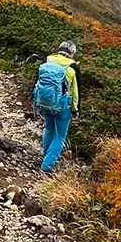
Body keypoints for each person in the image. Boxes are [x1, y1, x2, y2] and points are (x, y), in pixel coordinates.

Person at [33, 40, 79, 172]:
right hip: (62, 106)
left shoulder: (48, 62)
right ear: (72, 53)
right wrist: (75, 109)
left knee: (49, 129)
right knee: (59, 136)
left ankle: (46, 156)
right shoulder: (72, 68)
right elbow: (75, 92)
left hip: (45, 101)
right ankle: (47, 166)